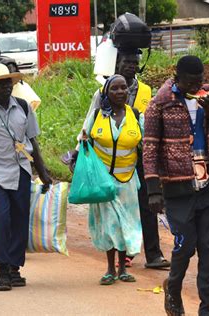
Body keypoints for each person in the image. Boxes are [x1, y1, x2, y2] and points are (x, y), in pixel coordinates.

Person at [143, 56, 209, 316]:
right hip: (178, 189)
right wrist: (153, 190)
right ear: (177, 76)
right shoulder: (159, 104)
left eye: (199, 81)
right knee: (185, 246)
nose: (196, 87)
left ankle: (206, 309)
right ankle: (173, 286)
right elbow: (149, 148)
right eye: (190, 82)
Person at [81, 50, 169, 269]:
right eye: (126, 62)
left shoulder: (147, 91)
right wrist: (79, 157)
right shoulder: (100, 95)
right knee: (113, 214)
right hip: (107, 164)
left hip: (137, 158)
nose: (131, 66)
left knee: (146, 206)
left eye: (134, 62)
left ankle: (152, 254)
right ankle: (121, 258)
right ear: (117, 64)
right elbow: (87, 129)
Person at [0, 63, 52, 291]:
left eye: (8, 83)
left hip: (21, 171)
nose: (6, 88)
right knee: (1, 218)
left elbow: (33, 141)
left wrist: (42, 173)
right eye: (0, 85)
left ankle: (15, 268)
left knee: (19, 220)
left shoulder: (24, 108)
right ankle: (2, 270)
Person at [74, 74, 143, 285]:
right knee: (109, 223)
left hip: (128, 180)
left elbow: (145, 146)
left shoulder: (136, 115)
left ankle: (123, 268)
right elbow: (83, 140)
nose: (121, 92)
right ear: (106, 92)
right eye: (115, 89)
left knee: (125, 224)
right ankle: (110, 269)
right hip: (103, 180)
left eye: (124, 88)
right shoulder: (97, 115)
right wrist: (76, 162)